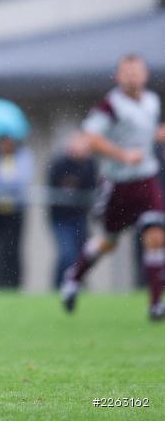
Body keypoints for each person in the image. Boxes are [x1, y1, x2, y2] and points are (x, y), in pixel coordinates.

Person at [60, 54, 165, 320]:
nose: (132, 77)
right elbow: (92, 138)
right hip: (117, 184)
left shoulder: (152, 102)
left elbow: (146, 132)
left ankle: (155, 303)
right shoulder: (110, 105)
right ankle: (74, 276)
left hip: (146, 179)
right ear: (118, 76)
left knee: (155, 236)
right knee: (108, 242)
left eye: (136, 72)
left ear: (144, 74)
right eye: (127, 72)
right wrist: (123, 155)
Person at [0, 135, 34, 288]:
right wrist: (6, 184)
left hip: (15, 211)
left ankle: (15, 284)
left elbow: (21, 181)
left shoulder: (23, 157)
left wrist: (4, 185)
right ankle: (0, 284)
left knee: (14, 249)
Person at [48, 133, 96, 285]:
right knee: (66, 254)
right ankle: (59, 285)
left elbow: (90, 184)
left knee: (83, 255)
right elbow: (54, 182)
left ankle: (76, 284)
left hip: (80, 217)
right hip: (61, 218)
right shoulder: (59, 163)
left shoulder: (89, 164)